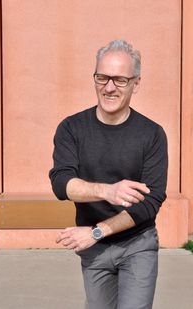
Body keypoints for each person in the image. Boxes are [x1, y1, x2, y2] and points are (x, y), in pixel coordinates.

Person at [49, 39, 168, 309]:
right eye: (102, 77)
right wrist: (107, 190)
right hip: (94, 252)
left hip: (137, 243)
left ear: (136, 83)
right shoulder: (71, 128)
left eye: (120, 80)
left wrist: (96, 232)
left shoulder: (152, 134)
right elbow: (60, 182)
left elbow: (150, 204)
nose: (109, 87)